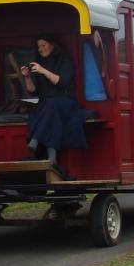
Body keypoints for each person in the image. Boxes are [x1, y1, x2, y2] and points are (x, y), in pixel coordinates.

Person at [20, 35, 87, 176]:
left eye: (44, 45)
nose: (41, 49)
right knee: (48, 109)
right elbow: (32, 91)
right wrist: (26, 76)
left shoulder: (64, 61)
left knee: (51, 105)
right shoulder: (38, 64)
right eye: (39, 47)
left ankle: (36, 139)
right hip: (48, 104)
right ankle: (52, 157)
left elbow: (62, 82)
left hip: (66, 100)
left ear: (52, 45)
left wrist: (43, 71)